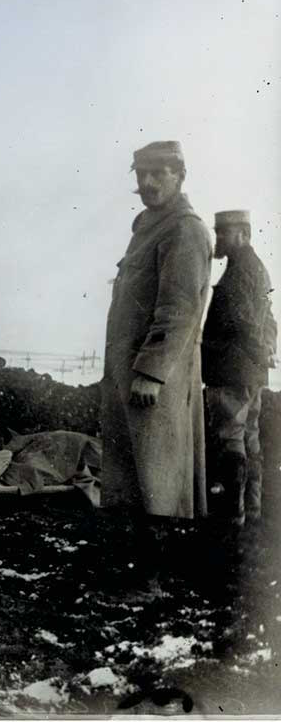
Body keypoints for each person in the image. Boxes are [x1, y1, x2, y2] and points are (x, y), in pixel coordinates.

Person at [100, 141, 212, 523]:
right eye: (141, 174)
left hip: (152, 382)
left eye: (158, 173)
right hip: (127, 372)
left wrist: (151, 372)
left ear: (179, 176)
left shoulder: (185, 230)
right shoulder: (149, 226)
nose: (147, 182)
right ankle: (130, 574)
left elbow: (179, 309)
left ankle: (150, 581)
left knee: (156, 480)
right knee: (131, 478)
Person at [202, 210, 277, 527]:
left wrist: (258, 349)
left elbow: (242, 320)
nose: (217, 239)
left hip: (231, 371)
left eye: (223, 234)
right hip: (252, 373)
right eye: (217, 232)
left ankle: (232, 516)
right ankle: (253, 512)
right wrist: (267, 350)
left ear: (243, 234)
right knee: (250, 439)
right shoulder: (257, 269)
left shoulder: (239, 272)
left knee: (229, 439)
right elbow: (269, 320)